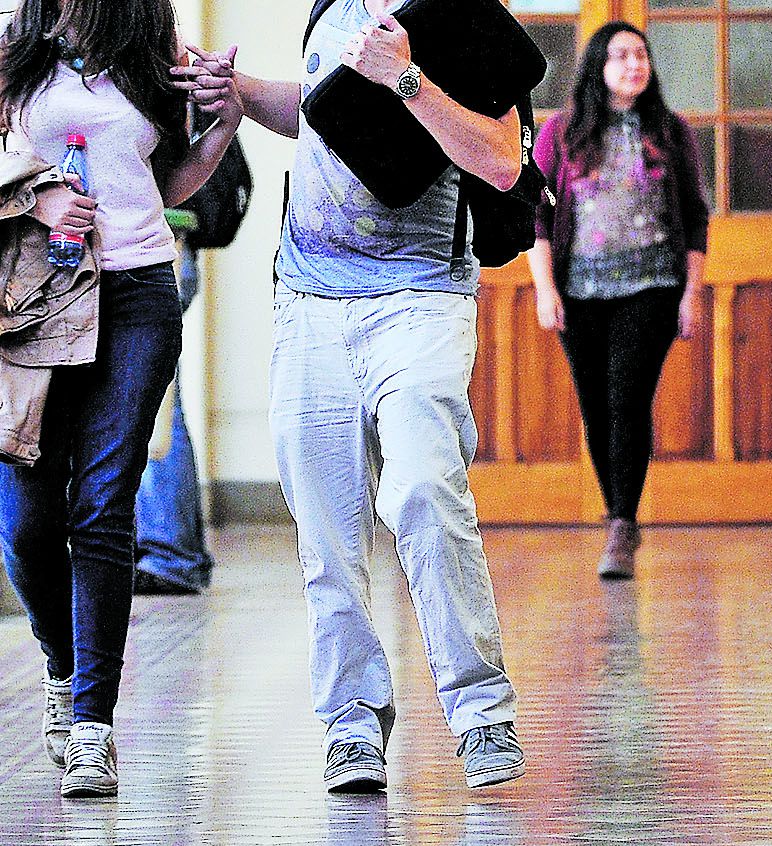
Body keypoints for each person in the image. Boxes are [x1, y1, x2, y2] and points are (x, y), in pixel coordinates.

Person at [174, 0, 526, 793]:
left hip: (421, 296)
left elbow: (501, 161)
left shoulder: (462, 17)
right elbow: (323, 113)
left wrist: (405, 77)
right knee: (326, 528)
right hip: (309, 301)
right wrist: (240, 92)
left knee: (426, 490)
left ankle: (480, 713)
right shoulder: (331, 8)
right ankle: (352, 724)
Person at [0, 0, 240, 797]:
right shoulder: (14, 50)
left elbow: (170, 177)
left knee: (103, 503)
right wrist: (34, 200)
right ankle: (61, 664)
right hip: (37, 292)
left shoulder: (152, 49)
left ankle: (93, 725)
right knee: (29, 522)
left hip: (136, 289)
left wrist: (222, 123)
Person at [528, 21, 708, 580]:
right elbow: (535, 214)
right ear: (597, 69)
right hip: (579, 293)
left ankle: (623, 524)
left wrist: (691, 295)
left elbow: (698, 219)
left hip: (652, 287)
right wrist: (545, 289)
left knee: (627, 399)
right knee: (596, 407)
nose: (634, 65)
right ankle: (616, 514)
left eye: (641, 55)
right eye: (621, 56)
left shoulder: (671, 132)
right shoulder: (561, 133)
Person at [133, 233, 213, 595]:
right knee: (156, 407)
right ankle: (176, 552)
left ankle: (171, 554)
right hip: (160, 247)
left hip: (150, 248)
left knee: (151, 410)